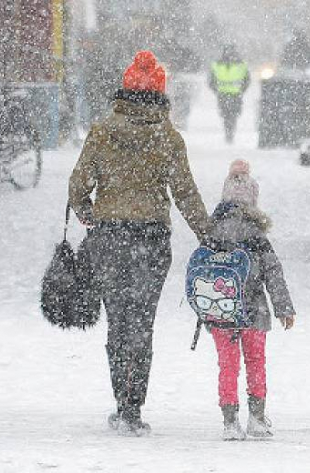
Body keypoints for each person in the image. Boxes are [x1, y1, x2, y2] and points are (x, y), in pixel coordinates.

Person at [69, 50, 210, 436]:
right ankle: (134, 408)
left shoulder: (101, 132)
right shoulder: (167, 137)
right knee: (142, 323)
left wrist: (87, 213)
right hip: (151, 239)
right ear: (160, 94)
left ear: (124, 90)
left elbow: (77, 186)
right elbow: (185, 193)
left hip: (110, 237)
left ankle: (121, 401)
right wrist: (208, 234)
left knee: (118, 322)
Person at [205, 159, 295, 441]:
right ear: (253, 199)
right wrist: (284, 308)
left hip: (222, 311)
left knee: (227, 366)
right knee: (256, 362)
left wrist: (204, 307)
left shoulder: (212, 234)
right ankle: (256, 418)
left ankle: (230, 421)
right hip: (255, 310)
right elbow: (273, 273)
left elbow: (201, 273)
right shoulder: (257, 235)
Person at [209, 45, 250, 143]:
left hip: (233, 94)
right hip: (225, 94)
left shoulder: (241, 65)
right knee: (227, 115)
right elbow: (211, 81)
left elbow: (247, 80)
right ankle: (229, 133)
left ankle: (230, 134)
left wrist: (241, 90)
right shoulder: (217, 65)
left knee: (232, 115)